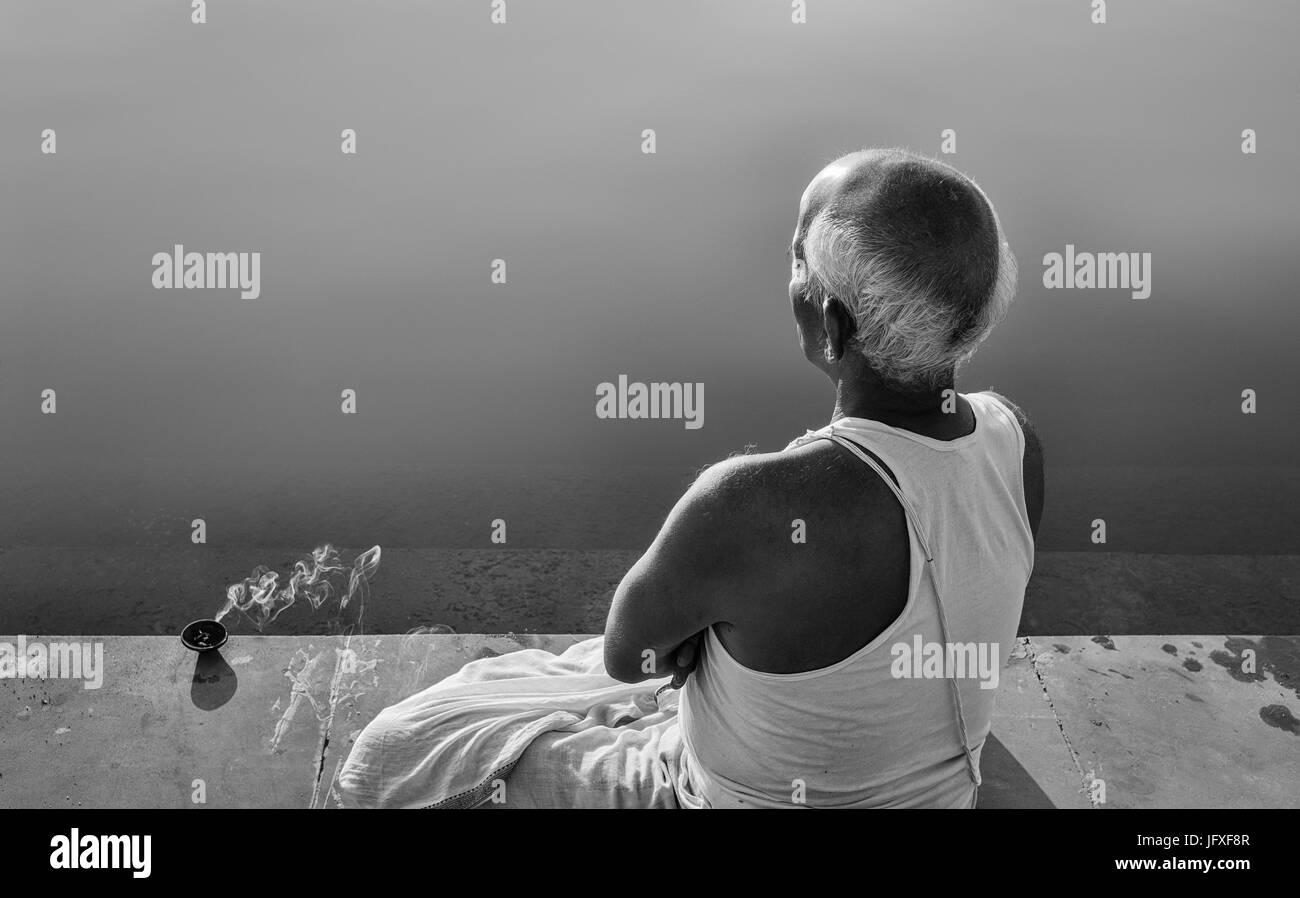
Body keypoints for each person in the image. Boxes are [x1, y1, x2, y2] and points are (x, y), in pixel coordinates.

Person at [602, 147, 1043, 807]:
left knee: (419, 737)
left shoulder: (746, 507)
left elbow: (628, 659)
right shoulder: (1016, 441)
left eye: (796, 258)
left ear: (832, 325)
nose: (789, 272)